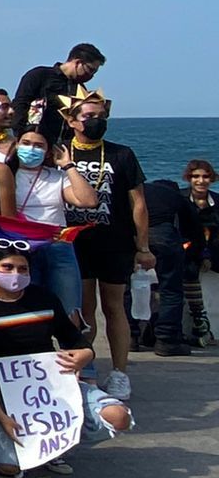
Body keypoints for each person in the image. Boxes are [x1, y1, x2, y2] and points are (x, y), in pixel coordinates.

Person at [0, 241, 132, 477]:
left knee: (117, 416)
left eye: (22, 269)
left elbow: (74, 339)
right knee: (8, 467)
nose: (15, 274)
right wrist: (2, 418)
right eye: (7, 267)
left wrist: (84, 355)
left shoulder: (44, 298)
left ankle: (59, 445)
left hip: (51, 383)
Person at [61, 91, 151, 401]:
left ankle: (120, 372)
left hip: (115, 242)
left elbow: (138, 203)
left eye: (101, 116)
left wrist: (143, 246)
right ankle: (86, 371)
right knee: (84, 310)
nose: (96, 121)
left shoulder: (121, 154)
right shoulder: (62, 152)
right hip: (76, 242)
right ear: (72, 121)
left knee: (114, 307)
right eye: (89, 116)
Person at [8, 126, 96, 325]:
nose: (31, 149)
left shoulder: (57, 177)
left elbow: (88, 200)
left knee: (70, 310)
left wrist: (68, 166)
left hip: (58, 246)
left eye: (39, 145)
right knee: (28, 312)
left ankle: (72, 343)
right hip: (21, 248)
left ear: (48, 151)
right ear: (17, 144)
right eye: (26, 143)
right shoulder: (6, 174)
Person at [143, 178, 204, 357]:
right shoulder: (176, 197)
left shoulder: (142, 190)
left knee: (126, 289)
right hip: (163, 237)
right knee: (171, 290)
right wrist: (193, 259)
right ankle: (167, 340)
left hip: (133, 235)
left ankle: (131, 336)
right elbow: (195, 231)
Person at [13, 42, 105, 144]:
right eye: (90, 70)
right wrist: (20, 134)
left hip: (65, 145)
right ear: (78, 62)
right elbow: (20, 104)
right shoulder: (39, 76)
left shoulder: (80, 88)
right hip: (38, 141)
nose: (91, 75)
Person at [181, 160, 216, 345]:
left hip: (213, 250)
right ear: (189, 178)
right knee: (189, 268)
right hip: (188, 250)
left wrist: (207, 254)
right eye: (196, 176)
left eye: (205, 176)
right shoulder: (179, 199)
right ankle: (199, 318)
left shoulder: (217, 202)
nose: (201, 181)